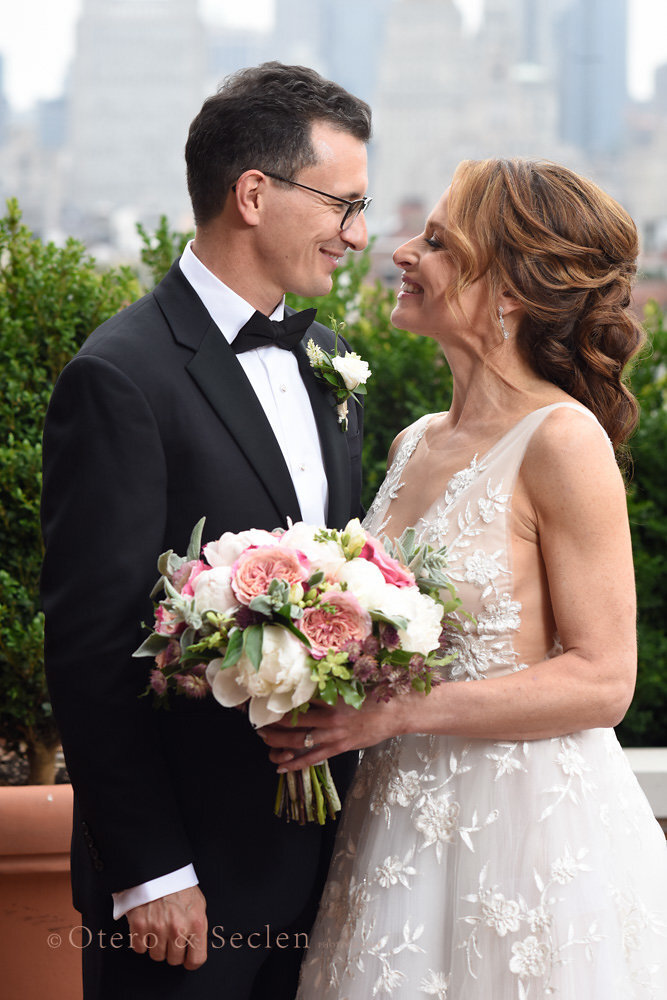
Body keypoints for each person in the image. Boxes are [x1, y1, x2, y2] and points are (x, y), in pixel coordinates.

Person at [262, 158, 667, 998]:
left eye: (438, 242)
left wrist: (396, 711)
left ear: (511, 290)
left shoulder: (562, 440)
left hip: (525, 834)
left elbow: (603, 680)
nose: (404, 250)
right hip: (393, 822)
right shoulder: (414, 440)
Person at [40, 62, 371, 1000]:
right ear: (254, 194)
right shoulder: (119, 376)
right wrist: (151, 869)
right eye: (341, 204)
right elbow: (93, 647)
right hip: (188, 881)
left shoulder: (329, 361)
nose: (356, 235)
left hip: (329, 870)